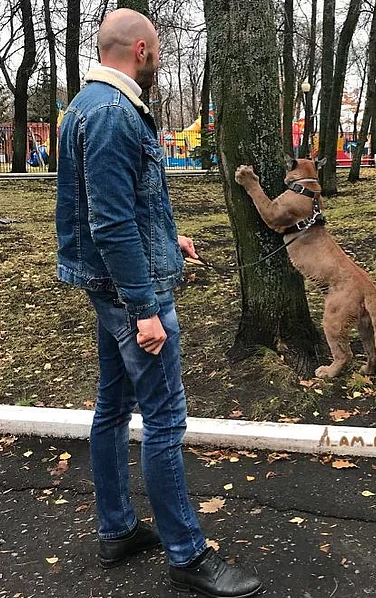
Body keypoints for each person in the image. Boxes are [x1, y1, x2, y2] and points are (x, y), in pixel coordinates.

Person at [55, 9, 262, 598]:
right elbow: (111, 222)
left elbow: (117, 204)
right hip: (131, 293)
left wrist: (169, 237)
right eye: (160, 52)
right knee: (165, 422)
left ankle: (118, 529)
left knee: (111, 410)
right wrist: (145, 307)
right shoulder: (115, 115)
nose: (161, 61)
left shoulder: (84, 107)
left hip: (110, 285)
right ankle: (187, 554)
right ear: (141, 49)